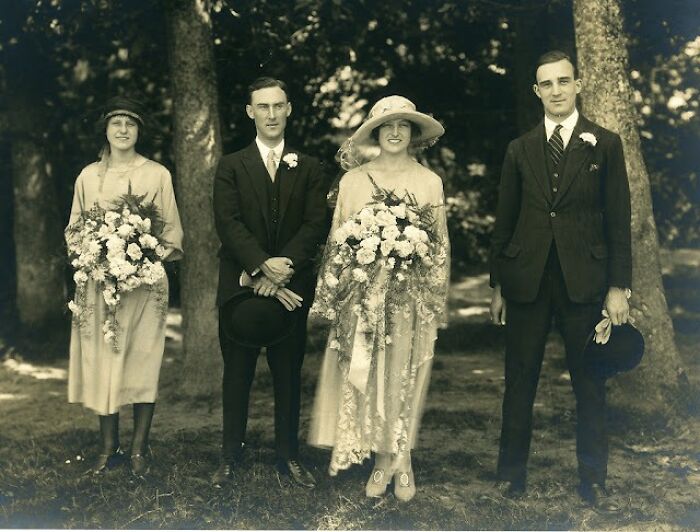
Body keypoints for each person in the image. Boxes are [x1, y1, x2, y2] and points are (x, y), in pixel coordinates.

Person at [489, 50, 632, 511]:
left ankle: (593, 480)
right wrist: (498, 285)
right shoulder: (519, 148)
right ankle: (510, 477)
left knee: (589, 381)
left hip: (584, 281)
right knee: (520, 379)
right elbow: (505, 220)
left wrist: (617, 286)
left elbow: (618, 221)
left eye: (563, 81)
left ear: (577, 85)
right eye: (546, 83)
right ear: (537, 91)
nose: (556, 90)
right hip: (527, 281)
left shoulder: (605, 144)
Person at [309, 95, 450, 502]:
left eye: (402, 125)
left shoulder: (428, 182)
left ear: (412, 134)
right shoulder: (353, 182)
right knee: (368, 377)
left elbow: (438, 247)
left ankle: (400, 459)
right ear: (374, 132)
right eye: (386, 125)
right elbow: (338, 243)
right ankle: (379, 458)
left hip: (408, 298)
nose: (394, 132)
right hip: (362, 299)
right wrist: (335, 296)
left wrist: (432, 299)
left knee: (401, 379)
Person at [211, 77, 328, 488]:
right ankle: (229, 457)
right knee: (237, 372)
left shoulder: (310, 167)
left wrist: (284, 267)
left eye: (279, 106)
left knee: (288, 373)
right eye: (263, 107)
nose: (272, 114)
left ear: (289, 109)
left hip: (291, 288)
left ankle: (289, 457)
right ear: (250, 112)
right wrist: (261, 267)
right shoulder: (230, 165)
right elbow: (228, 223)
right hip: (240, 284)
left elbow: (316, 223)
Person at [66, 96, 184, 476]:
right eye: (116, 123)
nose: (122, 130)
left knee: (143, 358)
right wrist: (95, 258)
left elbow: (171, 232)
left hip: (146, 285)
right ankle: (107, 448)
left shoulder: (157, 174)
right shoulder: (88, 176)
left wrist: (144, 261)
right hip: (100, 285)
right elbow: (74, 230)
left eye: (130, 124)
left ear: (138, 131)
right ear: (105, 129)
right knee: (105, 360)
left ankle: (139, 449)